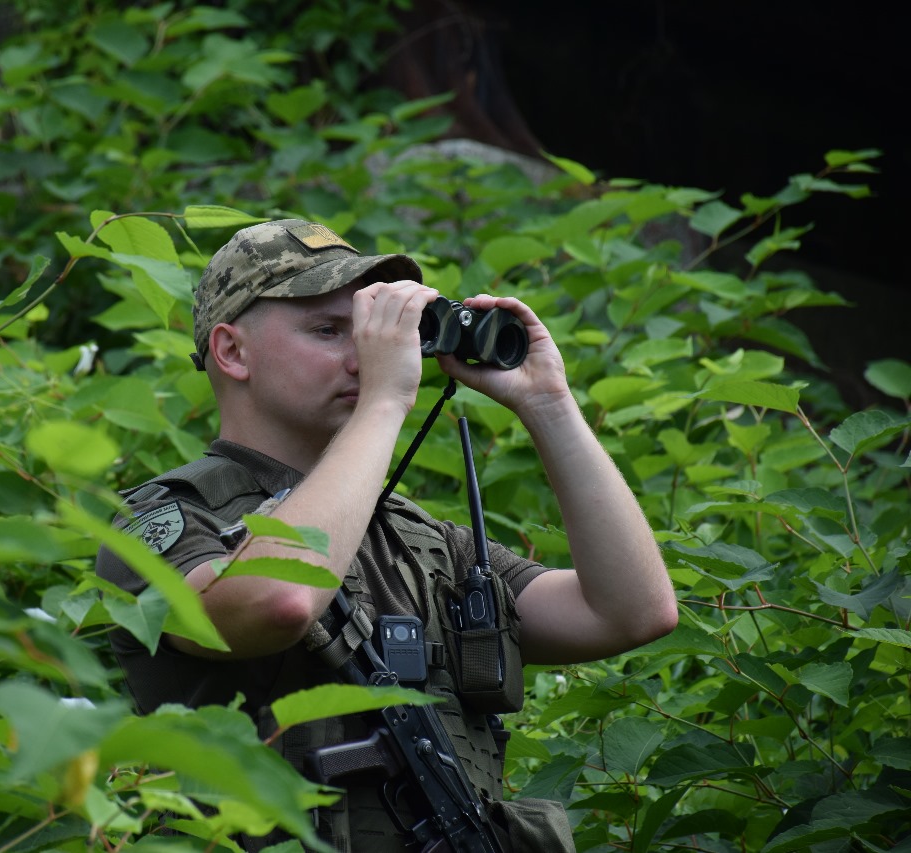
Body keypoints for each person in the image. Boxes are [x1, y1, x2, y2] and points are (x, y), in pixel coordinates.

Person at [95, 219, 678, 851]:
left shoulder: (418, 540)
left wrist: (549, 404)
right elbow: (278, 601)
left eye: (376, 332)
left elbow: (629, 612)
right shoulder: (167, 519)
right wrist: (382, 400)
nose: (367, 353)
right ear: (233, 352)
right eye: (328, 330)